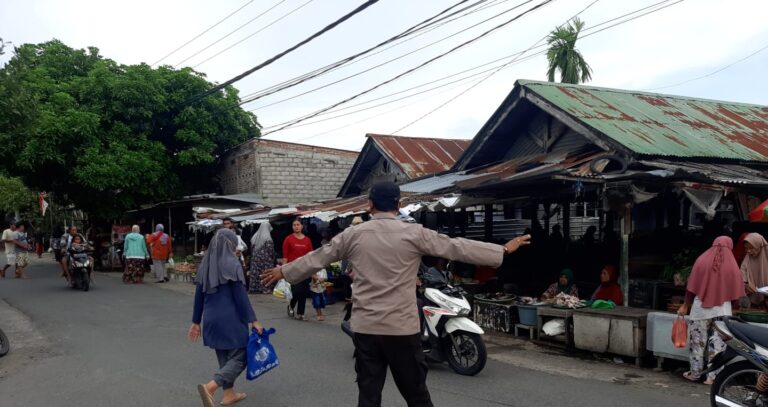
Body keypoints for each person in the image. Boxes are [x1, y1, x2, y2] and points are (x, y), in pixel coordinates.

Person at [261, 181, 531, 407]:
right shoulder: (414, 233)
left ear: (370, 205)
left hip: (366, 328)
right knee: (416, 394)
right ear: (399, 205)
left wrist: (284, 271)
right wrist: (502, 251)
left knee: (369, 394)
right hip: (401, 328)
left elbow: (319, 256)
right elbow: (454, 247)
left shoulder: (353, 234)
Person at [188, 229, 263, 407]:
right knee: (242, 356)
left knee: (225, 358)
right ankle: (211, 386)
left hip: (211, 320)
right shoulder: (233, 264)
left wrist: (195, 322)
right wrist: (254, 320)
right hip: (231, 319)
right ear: (229, 244)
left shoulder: (205, 265)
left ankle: (229, 395)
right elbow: (241, 298)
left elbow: (198, 296)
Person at [678, 236, 744, 384]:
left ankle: (695, 373)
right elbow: (736, 291)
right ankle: (712, 377)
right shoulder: (732, 264)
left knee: (697, 342)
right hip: (723, 311)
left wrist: (685, 304)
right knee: (718, 344)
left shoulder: (701, 260)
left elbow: (692, 287)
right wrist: (733, 306)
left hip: (700, 309)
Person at [282, 218, 313, 320]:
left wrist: (313, 271)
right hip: (292, 269)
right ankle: (291, 305)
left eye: (298, 225)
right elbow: (285, 256)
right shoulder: (288, 239)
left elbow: (310, 256)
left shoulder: (307, 240)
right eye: (294, 225)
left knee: (303, 292)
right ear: (292, 227)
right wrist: (283, 271)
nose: (296, 226)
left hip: (304, 269)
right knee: (296, 291)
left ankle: (300, 313)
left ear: (302, 226)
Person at [741, 233, 768, 307]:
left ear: (759, 246)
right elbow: (743, 271)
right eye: (746, 248)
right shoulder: (748, 257)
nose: (748, 251)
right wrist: (746, 284)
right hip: (754, 295)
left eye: (751, 248)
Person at [248, 222, 275, 294]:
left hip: (255, 260)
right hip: (266, 261)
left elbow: (251, 249)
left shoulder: (254, 237)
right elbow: (270, 251)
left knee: (256, 273)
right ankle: (265, 289)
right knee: (265, 274)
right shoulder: (268, 238)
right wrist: (273, 258)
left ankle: (255, 288)